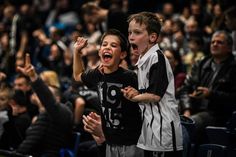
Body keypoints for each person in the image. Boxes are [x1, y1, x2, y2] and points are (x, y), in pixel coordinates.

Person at [73, 29, 143, 157]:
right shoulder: (97, 74)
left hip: (131, 143)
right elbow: (78, 75)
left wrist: (137, 95)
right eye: (104, 44)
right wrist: (77, 51)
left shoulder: (130, 77)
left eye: (113, 45)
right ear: (99, 52)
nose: (107, 47)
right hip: (110, 142)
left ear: (122, 55)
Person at [122, 12, 183, 157]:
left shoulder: (157, 58)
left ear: (152, 37)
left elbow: (155, 95)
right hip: (150, 127)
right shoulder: (143, 59)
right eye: (130, 32)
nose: (131, 37)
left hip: (164, 129)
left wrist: (134, 97)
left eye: (137, 32)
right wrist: (136, 93)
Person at [179, 30, 236, 144]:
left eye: (219, 42)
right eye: (212, 42)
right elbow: (185, 88)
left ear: (229, 48)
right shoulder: (201, 63)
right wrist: (187, 109)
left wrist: (211, 94)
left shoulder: (233, 68)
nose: (214, 44)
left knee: (185, 126)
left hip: (216, 114)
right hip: (193, 109)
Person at [14, 54, 73, 157]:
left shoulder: (62, 112)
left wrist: (33, 76)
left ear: (57, 99)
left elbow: (48, 99)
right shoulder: (41, 114)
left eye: (46, 95)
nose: (38, 95)